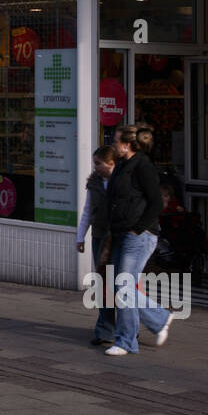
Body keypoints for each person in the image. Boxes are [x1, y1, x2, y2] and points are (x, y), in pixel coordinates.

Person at [103, 124, 172, 355]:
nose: (113, 144)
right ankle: (159, 318)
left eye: (116, 141)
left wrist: (138, 229)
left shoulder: (143, 166)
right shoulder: (122, 165)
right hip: (120, 233)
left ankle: (125, 341)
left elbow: (155, 202)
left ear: (127, 144)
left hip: (139, 235)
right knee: (121, 286)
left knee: (124, 286)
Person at [76, 145, 117, 346]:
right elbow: (87, 211)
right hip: (100, 236)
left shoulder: (121, 181)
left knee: (120, 284)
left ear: (111, 163)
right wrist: (80, 237)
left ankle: (128, 328)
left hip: (118, 236)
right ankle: (105, 329)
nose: (95, 168)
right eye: (94, 164)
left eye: (98, 164)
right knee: (102, 284)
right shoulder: (94, 184)